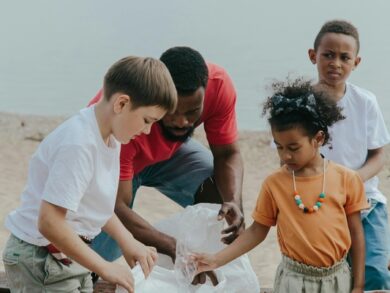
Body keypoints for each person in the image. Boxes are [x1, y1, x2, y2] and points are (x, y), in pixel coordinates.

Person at [2, 56, 178, 292]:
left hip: (69, 255)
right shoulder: (79, 144)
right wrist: (105, 267)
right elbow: (49, 222)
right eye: (147, 120)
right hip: (40, 257)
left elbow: (95, 205)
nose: (147, 131)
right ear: (121, 104)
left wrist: (128, 241)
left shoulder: (110, 138)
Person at [193, 78, 369, 293]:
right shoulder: (274, 183)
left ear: (318, 138)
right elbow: (257, 230)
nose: (285, 155)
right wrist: (216, 260)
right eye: (279, 147)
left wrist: (358, 285)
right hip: (292, 281)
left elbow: (357, 235)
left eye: (294, 147)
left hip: (337, 279)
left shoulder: (347, 179)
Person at [89, 47, 245, 283]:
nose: (182, 121)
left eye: (193, 112)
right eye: (171, 112)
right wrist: (172, 247)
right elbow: (117, 208)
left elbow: (227, 154)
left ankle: (205, 266)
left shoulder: (219, 84)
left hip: (168, 154)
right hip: (119, 156)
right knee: (96, 252)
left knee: (218, 191)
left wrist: (234, 201)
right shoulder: (124, 120)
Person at [308, 20, 390, 290]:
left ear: (356, 62)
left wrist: (353, 179)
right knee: (331, 275)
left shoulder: (365, 101)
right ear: (313, 56)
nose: (336, 63)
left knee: (375, 273)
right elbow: (288, 156)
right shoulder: (301, 104)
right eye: (328, 55)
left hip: (367, 203)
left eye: (345, 57)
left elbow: (378, 154)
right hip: (320, 205)